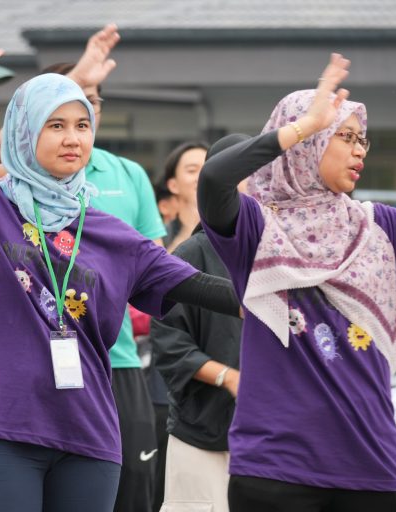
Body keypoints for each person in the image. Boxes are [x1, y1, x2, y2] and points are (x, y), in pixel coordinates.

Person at [0, 45, 240, 512]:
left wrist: (277, 297)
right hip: (0, 430)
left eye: (82, 125)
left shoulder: (113, 234)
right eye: (56, 125)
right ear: (25, 131)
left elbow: (200, 288)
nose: (73, 138)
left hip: (89, 438)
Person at [197, 53, 396, 512]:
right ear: (307, 142)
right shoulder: (256, 229)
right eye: (345, 136)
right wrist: (306, 124)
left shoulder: (384, 227)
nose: (359, 150)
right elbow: (215, 178)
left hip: (373, 465)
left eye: (362, 140)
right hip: (276, 467)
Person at [41, 25, 170, 512]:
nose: (88, 111)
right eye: (69, 106)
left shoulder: (127, 174)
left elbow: (154, 268)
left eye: (92, 102)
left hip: (118, 360)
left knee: (131, 489)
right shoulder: (16, 180)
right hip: (43, 364)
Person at [151, 134, 248, 512]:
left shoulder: (283, 253)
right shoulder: (191, 253)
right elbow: (170, 343)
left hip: (275, 435)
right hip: (203, 433)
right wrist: (228, 377)